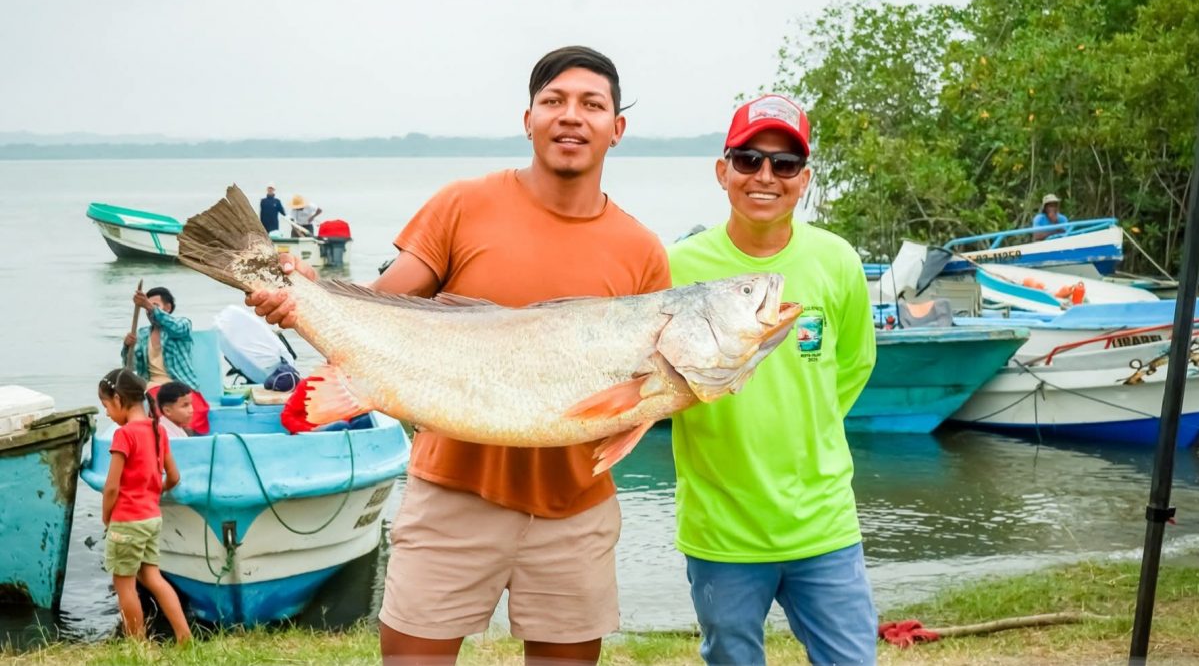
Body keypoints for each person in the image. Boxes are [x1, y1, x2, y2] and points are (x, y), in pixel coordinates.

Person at [247, 45, 669, 665]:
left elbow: (647, 387)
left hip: (576, 509)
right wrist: (303, 300)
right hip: (452, 492)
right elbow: (382, 309)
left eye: (591, 104)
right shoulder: (463, 204)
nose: (571, 116)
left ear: (617, 128)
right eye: (553, 101)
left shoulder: (642, 250)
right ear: (528, 119)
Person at [668, 94, 878, 666]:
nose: (765, 176)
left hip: (824, 524)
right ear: (722, 170)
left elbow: (855, 365)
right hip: (722, 531)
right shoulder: (677, 267)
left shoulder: (837, 261)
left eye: (784, 164)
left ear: (804, 179)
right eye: (748, 159)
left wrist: (803, 432)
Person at [97, 368, 191, 644]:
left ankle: (137, 646)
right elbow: (173, 477)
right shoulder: (159, 430)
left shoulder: (124, 435)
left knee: (124, 585)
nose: (106, 414)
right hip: (152, 517)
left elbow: (112, 486)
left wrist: (106, 516)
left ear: (117, 398)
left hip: (127, 520)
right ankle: (185, 637)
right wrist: (150, 491)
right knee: (154, 578)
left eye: (106, 406)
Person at [120, 286, 210, 435]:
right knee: (159, 412)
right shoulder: (142, 334)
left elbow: (177, 327)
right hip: (152, 386)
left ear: (167, 308)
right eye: (147, 307)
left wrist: (148, 306)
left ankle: (187, 437)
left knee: (194, 412)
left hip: (180, 385)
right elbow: (131, 366)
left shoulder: (182, 324)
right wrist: (127, 347)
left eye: (155, 306)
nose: (149, 311)